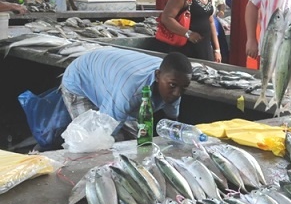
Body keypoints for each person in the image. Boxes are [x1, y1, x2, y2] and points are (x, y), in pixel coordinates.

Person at [61, 48, 192, 139]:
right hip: (81, 79)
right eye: (173, 86)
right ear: (157, 76)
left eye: (183, 88)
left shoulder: (174, 82)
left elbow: (172, 119)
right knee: (92, 138)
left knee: (138, 140)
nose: (177, 93)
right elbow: (106, 131)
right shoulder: (131, 91)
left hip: (110, 80)